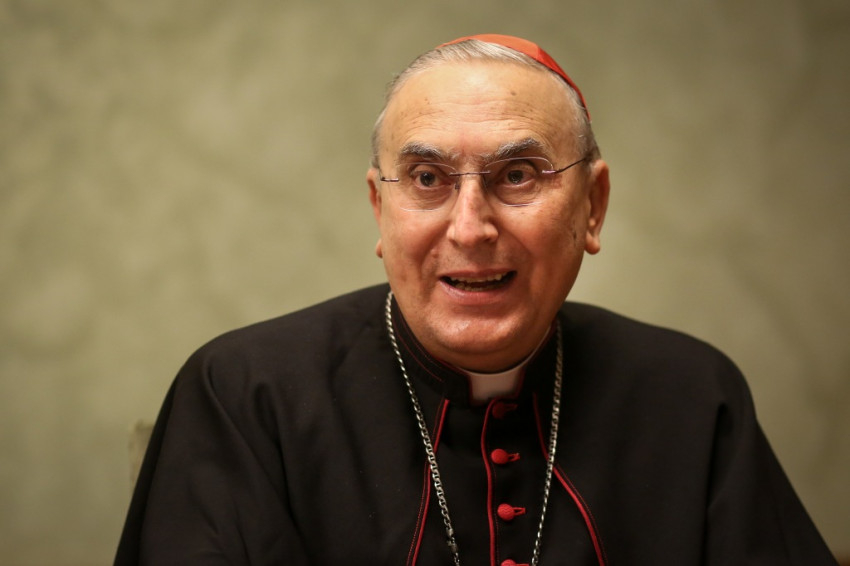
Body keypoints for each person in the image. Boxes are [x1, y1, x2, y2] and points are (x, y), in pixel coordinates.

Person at [114, 34, 837, 565]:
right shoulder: (244, 394)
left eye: (517, 175)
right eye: (427, 179)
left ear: (592, 206)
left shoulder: (691, 395)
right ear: (380, 210)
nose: (470, 227)